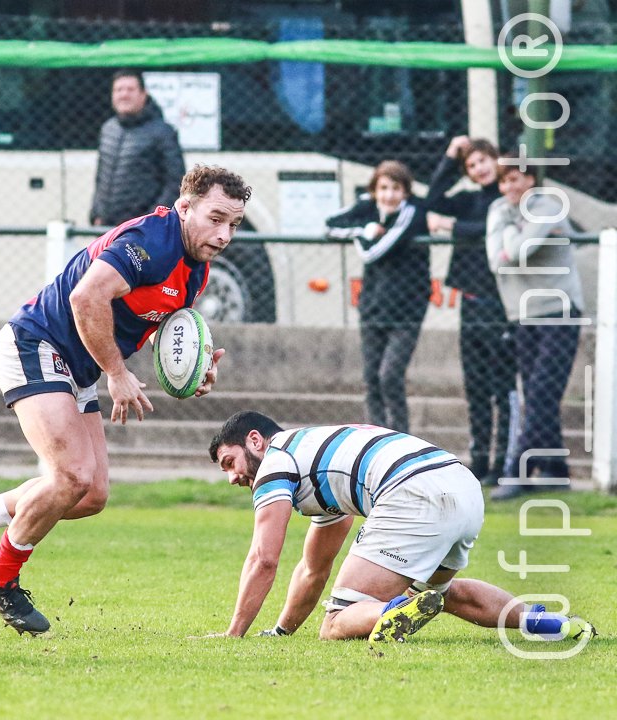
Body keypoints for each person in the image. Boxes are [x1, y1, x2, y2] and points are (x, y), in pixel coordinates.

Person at [0, 165, 246, 634]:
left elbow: (160, 328)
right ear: (185, 207)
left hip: (76, 366)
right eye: (215, 218)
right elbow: (85, 298)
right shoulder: (151, 242)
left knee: (90, 494)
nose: (224, 235)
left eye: (233, 224)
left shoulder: (196, 268)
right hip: (35, 345)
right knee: (71, 475)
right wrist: (117, 372)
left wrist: (193, 366)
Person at [205, 411, 595, 645]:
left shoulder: (277, 459)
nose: (232, 478)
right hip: (463, 486)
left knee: (337, 621)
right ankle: (552, 624)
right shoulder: (314, 460)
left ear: (254, 440)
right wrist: (280, 632)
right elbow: (313, 568)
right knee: (440, 592)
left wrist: (234, 633)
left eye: (229, 462)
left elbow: (264, 558)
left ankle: (397, 609)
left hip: (412, 492)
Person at [486, 162, 584, 501]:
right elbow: (494, 261)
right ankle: (556, 472)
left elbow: (516, 252)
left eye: (514, 179)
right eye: (503, 181)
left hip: (559, 311)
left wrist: (510, 239)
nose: (508, 187)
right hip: (522, 315)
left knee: (542, 391)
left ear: (530, 178)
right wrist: (513, 241)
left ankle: (519, 472)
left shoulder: (548, 205)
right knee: (536, 392)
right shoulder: (498, 208)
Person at [426, 136, 516, 485]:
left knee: (501, 387)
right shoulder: (467, 200)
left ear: (496, 160)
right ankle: (480, 461)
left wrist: (451, 227)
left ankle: (503, 462)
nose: (479, 169)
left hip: (500, 305)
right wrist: (450, 158)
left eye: (483, 161)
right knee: (476, 387)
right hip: (471, 303)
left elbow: (491, 231)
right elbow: (432, 199)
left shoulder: (507, 199)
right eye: (471, 165)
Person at [326, 161, 430, 433]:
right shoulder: (368, 206)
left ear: (406, 191)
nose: (389, 195)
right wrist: (364, 230)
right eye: (383, 188)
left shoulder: (412, 213)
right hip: (372, 308)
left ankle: (401, 438)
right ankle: (376, 439)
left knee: (389, 376)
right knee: (371, 378)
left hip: (406, 312)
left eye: (396, 188)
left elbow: (373, 252)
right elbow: (330, 224)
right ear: (374, 189)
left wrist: (363, 236)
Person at [90, 69, 186, 227]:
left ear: (143, 94)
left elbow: (176, 182)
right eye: (119, 90)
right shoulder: (108, 129)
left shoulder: (163, 132)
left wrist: (150, 220)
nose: (124, 94)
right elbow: (101, 177)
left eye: (130, 89)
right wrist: (96, 213)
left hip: (143, 230)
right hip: (108, 228)